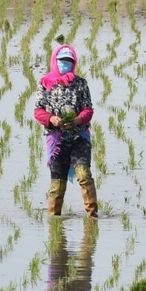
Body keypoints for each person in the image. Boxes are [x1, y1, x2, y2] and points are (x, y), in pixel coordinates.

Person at [34, 45, 98, 217]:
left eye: (69, 61)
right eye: (62, 61)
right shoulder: (45, 83)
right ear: (55, 61)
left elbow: (88, 109)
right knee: (57, 183)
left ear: (74, 63)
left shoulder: (80, 83)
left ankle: (92, 216)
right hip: (57, 140)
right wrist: (51, 119)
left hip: (79, 137)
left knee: (84, 174)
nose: (65, 64)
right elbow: (38, 111)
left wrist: (77, 120)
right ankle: (55, 222)